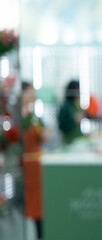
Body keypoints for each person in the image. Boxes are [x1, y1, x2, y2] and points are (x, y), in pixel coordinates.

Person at [21, 82, 48, 240]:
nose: (33, 96)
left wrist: (44, 134)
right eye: (30, 92)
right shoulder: (17, 117)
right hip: (24, 165)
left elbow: (40, 136)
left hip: (35, 165)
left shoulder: (34, 116)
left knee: (38, 205)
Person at [57, 79, 85, 144]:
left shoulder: (77, 105)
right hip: (69, 141)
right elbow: (61, 126)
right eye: (77, 90)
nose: (79, 93)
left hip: (79, 138)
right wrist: (74, 120)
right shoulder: (65, 106)